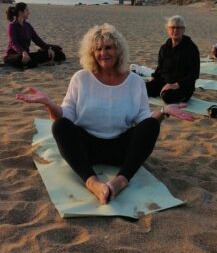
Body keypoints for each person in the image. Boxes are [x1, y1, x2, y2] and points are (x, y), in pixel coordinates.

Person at [16, 23, 193, 204]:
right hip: (87, 148)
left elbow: (143, 120)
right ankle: (93, 183)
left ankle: (120, 181)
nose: (103, 53)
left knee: (151, 125)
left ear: (118, 50)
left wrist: (164, 112)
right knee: (60, 126)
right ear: (91, 53)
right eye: (98, 49)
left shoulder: (135, 82)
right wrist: (49, 103)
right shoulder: (81, 78)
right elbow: (65, 116)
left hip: (121, 148)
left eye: (108, 47)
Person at [146, 15, 200, 104]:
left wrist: (176, 85)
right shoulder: (164, 47)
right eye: (172, 27)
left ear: (183, 30)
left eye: (178, 28)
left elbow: (194, 74)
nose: (175, 30)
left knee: (167, 96)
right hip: (164, 81)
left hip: (182, 85)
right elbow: (160, 67)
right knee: (143, 88)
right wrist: (154, 77)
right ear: (168, 29)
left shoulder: (191, 48)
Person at [4, 2, 65, 68]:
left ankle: (36, 62)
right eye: (27, 10)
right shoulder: (12, 26)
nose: (29, 12)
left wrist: (48, 48)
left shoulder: (27, 26)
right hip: (14, 56)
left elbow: (37, 40)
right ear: (21, 12)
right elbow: (14, 43)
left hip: (27, 55)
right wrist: (23, 52)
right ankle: (37, 63)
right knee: (22, 58)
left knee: (58, 52)